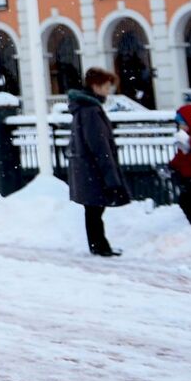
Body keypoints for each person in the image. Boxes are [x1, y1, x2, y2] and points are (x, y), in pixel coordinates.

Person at [68, 65, 131, 257]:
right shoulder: (91, 110)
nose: (108, 91)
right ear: (95, 86)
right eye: (105, 86)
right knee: (95, 209)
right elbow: (99, 145)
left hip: (87, 168)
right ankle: (99, 246)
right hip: (93, 169)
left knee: (93, 209)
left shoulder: (84, 108)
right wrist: (110, 174)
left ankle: (98, 245)